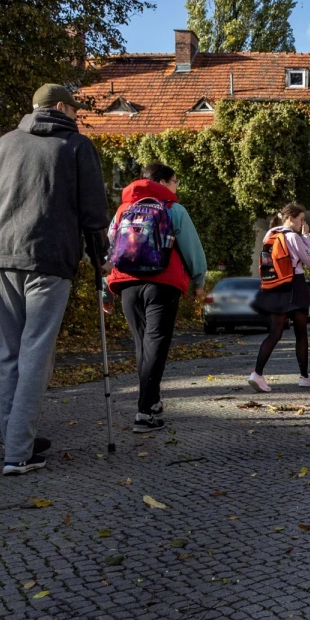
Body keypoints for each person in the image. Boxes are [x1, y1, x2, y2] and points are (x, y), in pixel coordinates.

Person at [0, 84, 109, 476]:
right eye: (75, 110)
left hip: (3, 259)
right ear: (62, 107)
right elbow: (94, 215)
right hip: (49, 260)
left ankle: (17, 438)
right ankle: (18, 452)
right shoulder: (76, 147)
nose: (77, 116)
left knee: (10, 351)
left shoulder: (4, 144)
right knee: (36, 353)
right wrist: (99, 259)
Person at [105, 163, 207, 433]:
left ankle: (153, 402)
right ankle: (144, 412)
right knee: (156, 346)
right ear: (162, 182)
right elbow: (192, 249)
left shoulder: (122, 211)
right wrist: (199, 282)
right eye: (174, 181)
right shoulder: (174, 210)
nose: (176, 187)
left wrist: (106, 291)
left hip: (127, 285)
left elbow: (110, 251)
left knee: (143, 346)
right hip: (162, 283)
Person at [249, 203, 310, 391]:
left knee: (275, 333)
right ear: (291, 218)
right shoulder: (293, 237)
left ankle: (257, 373)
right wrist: (306, 236)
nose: (303, 223)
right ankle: (304, 376)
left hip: (276, 285)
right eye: (301, 219)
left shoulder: (270, 234)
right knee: (301, 333)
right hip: (294, 285)